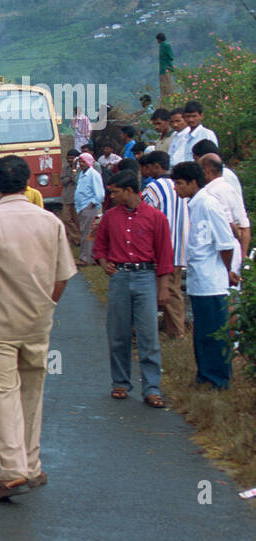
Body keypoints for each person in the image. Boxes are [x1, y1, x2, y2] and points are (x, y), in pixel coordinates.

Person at [0, 156, 76, 501]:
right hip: (37, 320)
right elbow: (62, 276)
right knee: (31, 391)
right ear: (28, 183)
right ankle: (32, 465)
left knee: (2, 393)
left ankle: (12, 471)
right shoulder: (48, 221)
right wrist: (47, 305)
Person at [94, 171, 173, 408]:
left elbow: (165, 255)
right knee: (118, 334)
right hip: (120, 277)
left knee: (149, 336)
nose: (113, 196)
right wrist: (103, 262)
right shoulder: (110, 217)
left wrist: (164, 287)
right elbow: (100, 247)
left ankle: (151, 387)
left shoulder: (156, 218)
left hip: (145, 276)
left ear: (129, 190)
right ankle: (120, 382)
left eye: (116, 192)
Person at [171, 162, 239, 388]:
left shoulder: (209, 204)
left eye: (179, 184)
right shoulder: (195, 204)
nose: (176, 189)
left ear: (193, 182)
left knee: (214, 334)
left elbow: (226, 243)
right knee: (201, 334)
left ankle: (218, 379)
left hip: (212, 281)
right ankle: (205, 375)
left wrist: (228, 270)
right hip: (198, 280)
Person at [140, 151, 189, 339]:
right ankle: (174, 331)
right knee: (173, 291)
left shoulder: (153, 188)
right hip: (180, 247)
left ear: (156, 166)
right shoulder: (181, 186)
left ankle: (176, 332)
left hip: (160, 249)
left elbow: (144, 215)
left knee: (160, 292)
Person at [196, 150, 250, 260]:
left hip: (220, 253)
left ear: (207, 172)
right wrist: (243, 255)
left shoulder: (211, 192)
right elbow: (244, 225)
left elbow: (228, 224)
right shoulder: (229, 188)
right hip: (235, 250)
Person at [74, 152, 105, 265]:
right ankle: (90, 256)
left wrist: (93, 203)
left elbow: (100, 193)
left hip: (88, 206)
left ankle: (85, 258)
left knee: (87, 233)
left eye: (83, 161)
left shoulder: (94, 174)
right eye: (80, 162)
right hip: (82, 206)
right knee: (86, 232)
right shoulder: (82, 173)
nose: (81, 164)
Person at [59, 150, 82, 246]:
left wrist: (73, 173)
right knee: (66, 218)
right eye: (68, 158)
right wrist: (70, 178)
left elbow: (77, 180)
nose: (70, 160)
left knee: (77, 220)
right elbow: (63, 180)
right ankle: (78, 238)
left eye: (72, 158)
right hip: (67, 197)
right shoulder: (65, 167)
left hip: (77, 197)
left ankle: (77, 240)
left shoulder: (81, 168)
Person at [157, 32, 175, 101]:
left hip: (164, 70)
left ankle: (167, 102)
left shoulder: (165, 45)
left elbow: (171, 57)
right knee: (168, 89)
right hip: (166, 69)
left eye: (158, 39)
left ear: (160, 39)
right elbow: (171, 57)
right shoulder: (164, 45)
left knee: (165, 89)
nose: (157, 41)